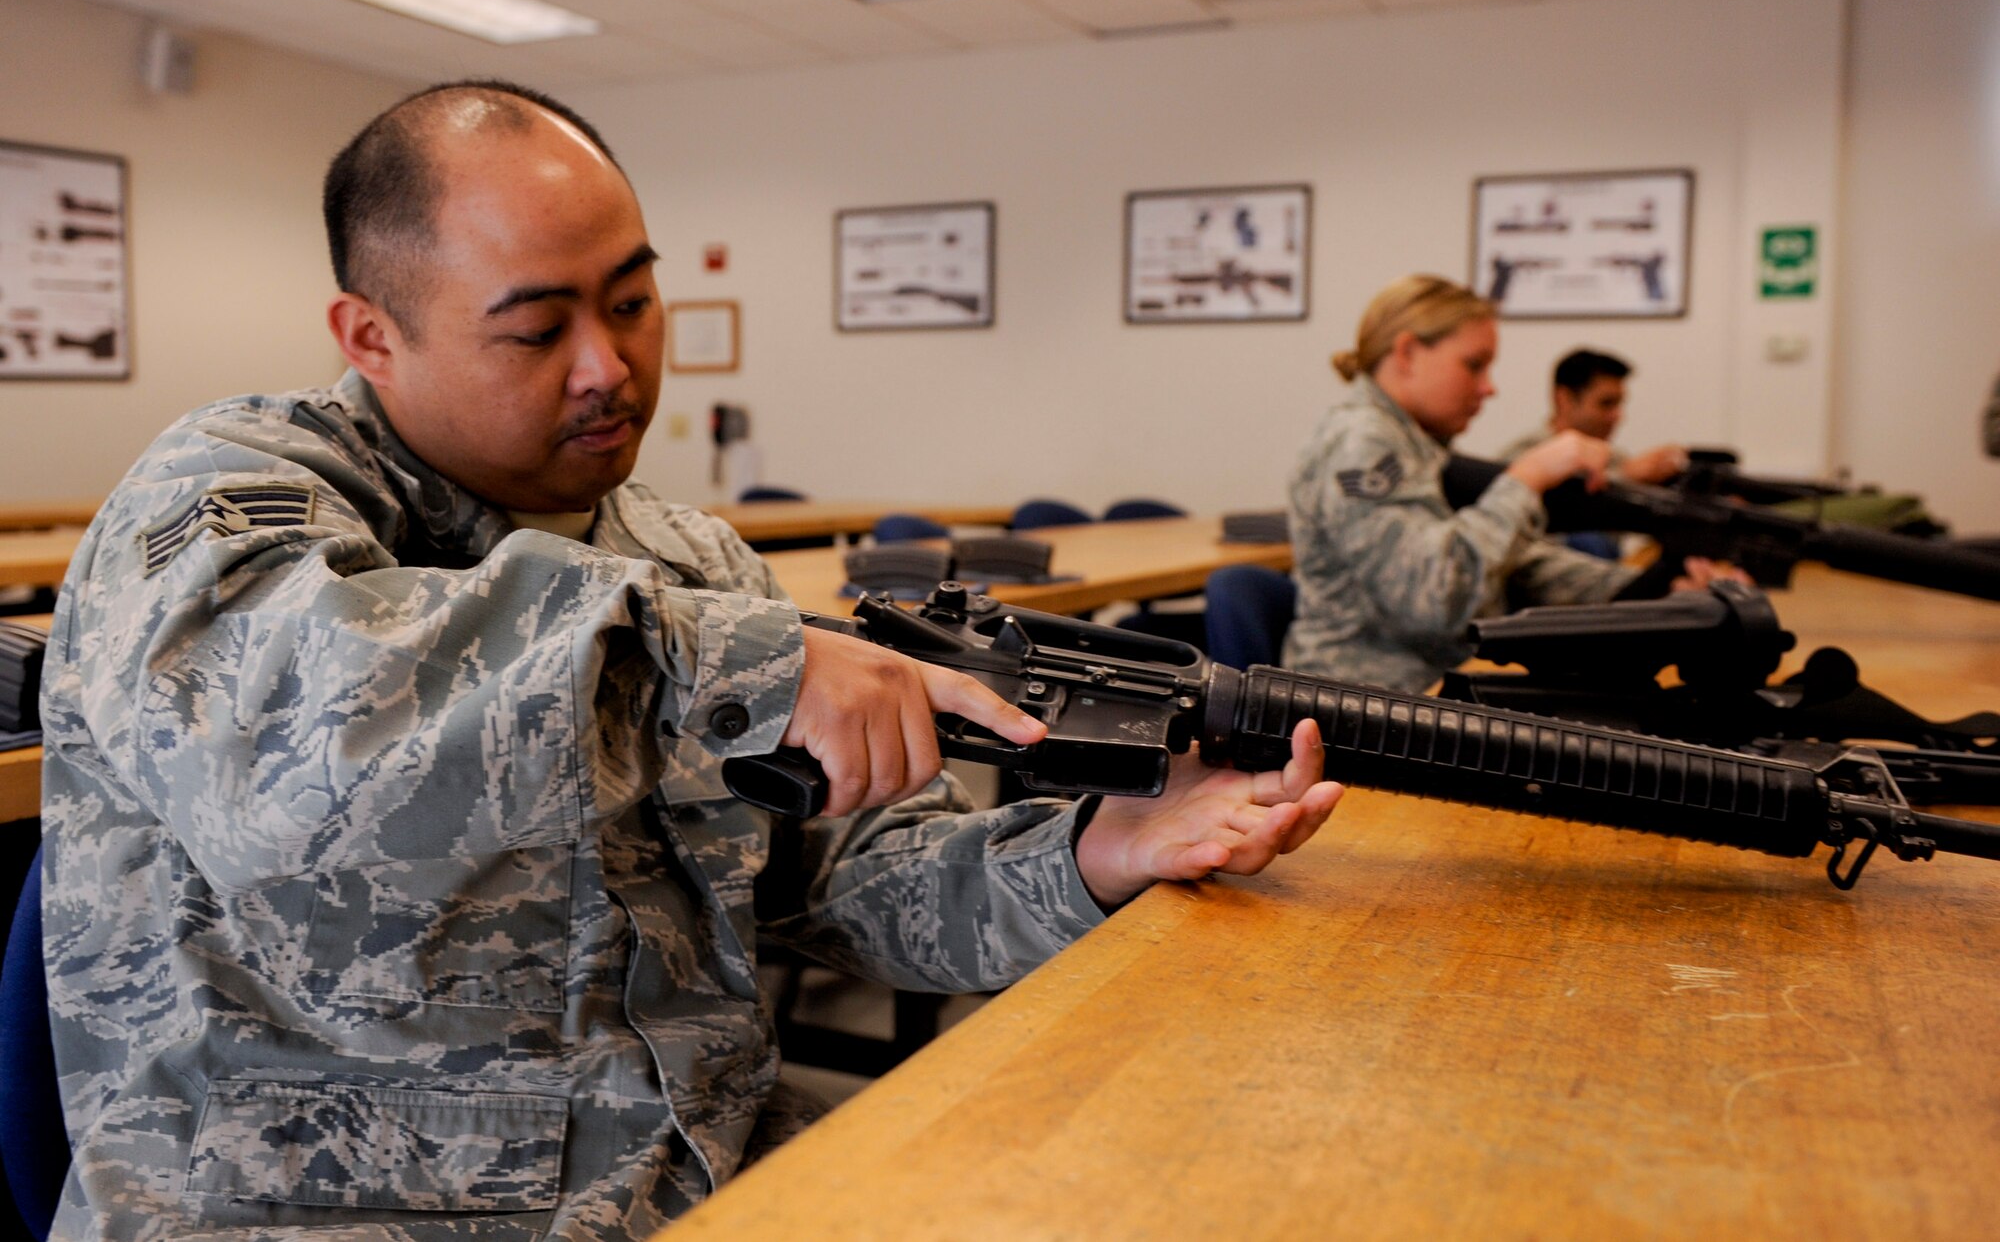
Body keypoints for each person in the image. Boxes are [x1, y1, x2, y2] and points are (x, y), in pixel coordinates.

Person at [38, 81, 1343, 1240]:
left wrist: (1087, 856)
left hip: (686, 1163)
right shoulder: (225, 496)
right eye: (537, 331)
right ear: (372, 335)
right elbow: (308, 754)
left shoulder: (683, 554)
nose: (612, 367)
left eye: (631, 300)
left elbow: (830, 875)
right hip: (313, 1201)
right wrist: (748, 663)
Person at [1283, 275, 1733, 693]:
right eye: (1474, 366)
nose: (1488, 387)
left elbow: (1508, 565)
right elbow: (1430, 600)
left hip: (1425, 690)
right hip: (1359, 708)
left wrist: (1647, 589)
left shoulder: (1414, 441)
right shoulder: (1362, 441)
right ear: (1407, 354)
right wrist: (1526, 480)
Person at [1498, 346, 1687, 485]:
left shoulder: (1615, 458)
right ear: (1563, 399)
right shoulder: (1521, 459)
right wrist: (1625, 477)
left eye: (1619, 404)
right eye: (1606, 403)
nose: (1617, 416)